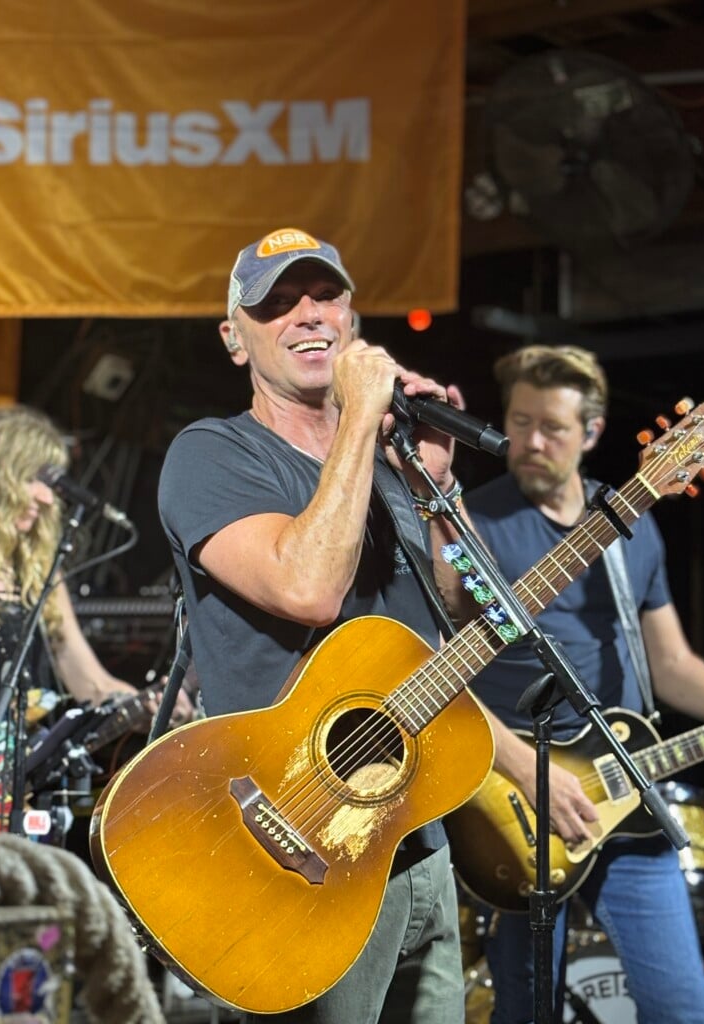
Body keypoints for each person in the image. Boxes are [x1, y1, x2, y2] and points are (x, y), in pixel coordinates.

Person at [158, 226, 484, 1024]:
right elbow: (308, 588)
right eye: (277, 304)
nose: (307, 314)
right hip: (297, 851)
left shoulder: (386, 468)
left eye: (325, 296)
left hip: (415, 841)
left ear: (352, 320)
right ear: (236, 340)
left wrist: (436, 488)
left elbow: (468, 612)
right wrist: (359, 418)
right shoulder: (211, 454)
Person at [464, 345, 704, 1023]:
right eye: (518, 422)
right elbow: (432, 668)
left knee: (683, 1007)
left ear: (593, 433)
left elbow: (672, 668)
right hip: (518, 806)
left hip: (626, 792)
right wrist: (513, 764)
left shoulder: (631, 522)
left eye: (553, 428)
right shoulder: (471, 525)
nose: (530, 442)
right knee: (523, 1009)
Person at [0, 404, 191, 844]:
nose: (45, 497)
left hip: (12, 798)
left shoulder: (38, 576)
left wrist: (154, 705)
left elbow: (89, 681)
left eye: (51, 484)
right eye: (33, 478)